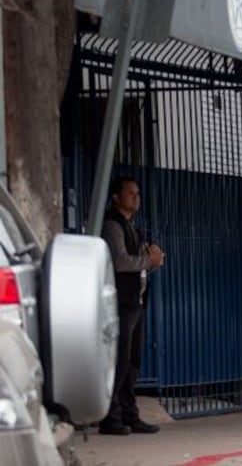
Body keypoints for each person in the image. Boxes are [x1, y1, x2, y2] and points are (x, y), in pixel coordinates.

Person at [99, 177, 165, 435]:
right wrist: (148, 261)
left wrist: (153, 259)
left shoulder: (132, 226)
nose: (136, 197)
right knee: (120, 360)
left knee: (133, 361)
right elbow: (120, 261)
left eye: (138, 193)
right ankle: (110, 417)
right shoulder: (113, 225)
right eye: (131, 193)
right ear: (116, 197)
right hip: (121, 303)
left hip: (135, 302)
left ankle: (129, 414)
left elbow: (139, 260)